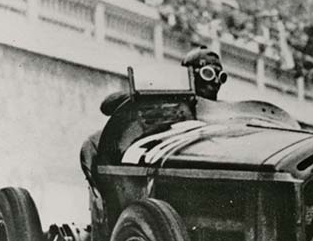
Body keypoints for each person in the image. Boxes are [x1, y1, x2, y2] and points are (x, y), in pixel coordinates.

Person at [80, 47, 227, 188]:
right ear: (190, 74)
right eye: (208, 73)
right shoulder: (169, 100)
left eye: (220, 76)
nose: (215, 82)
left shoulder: (222, 112)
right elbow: (107, 105)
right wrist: (146, 95)